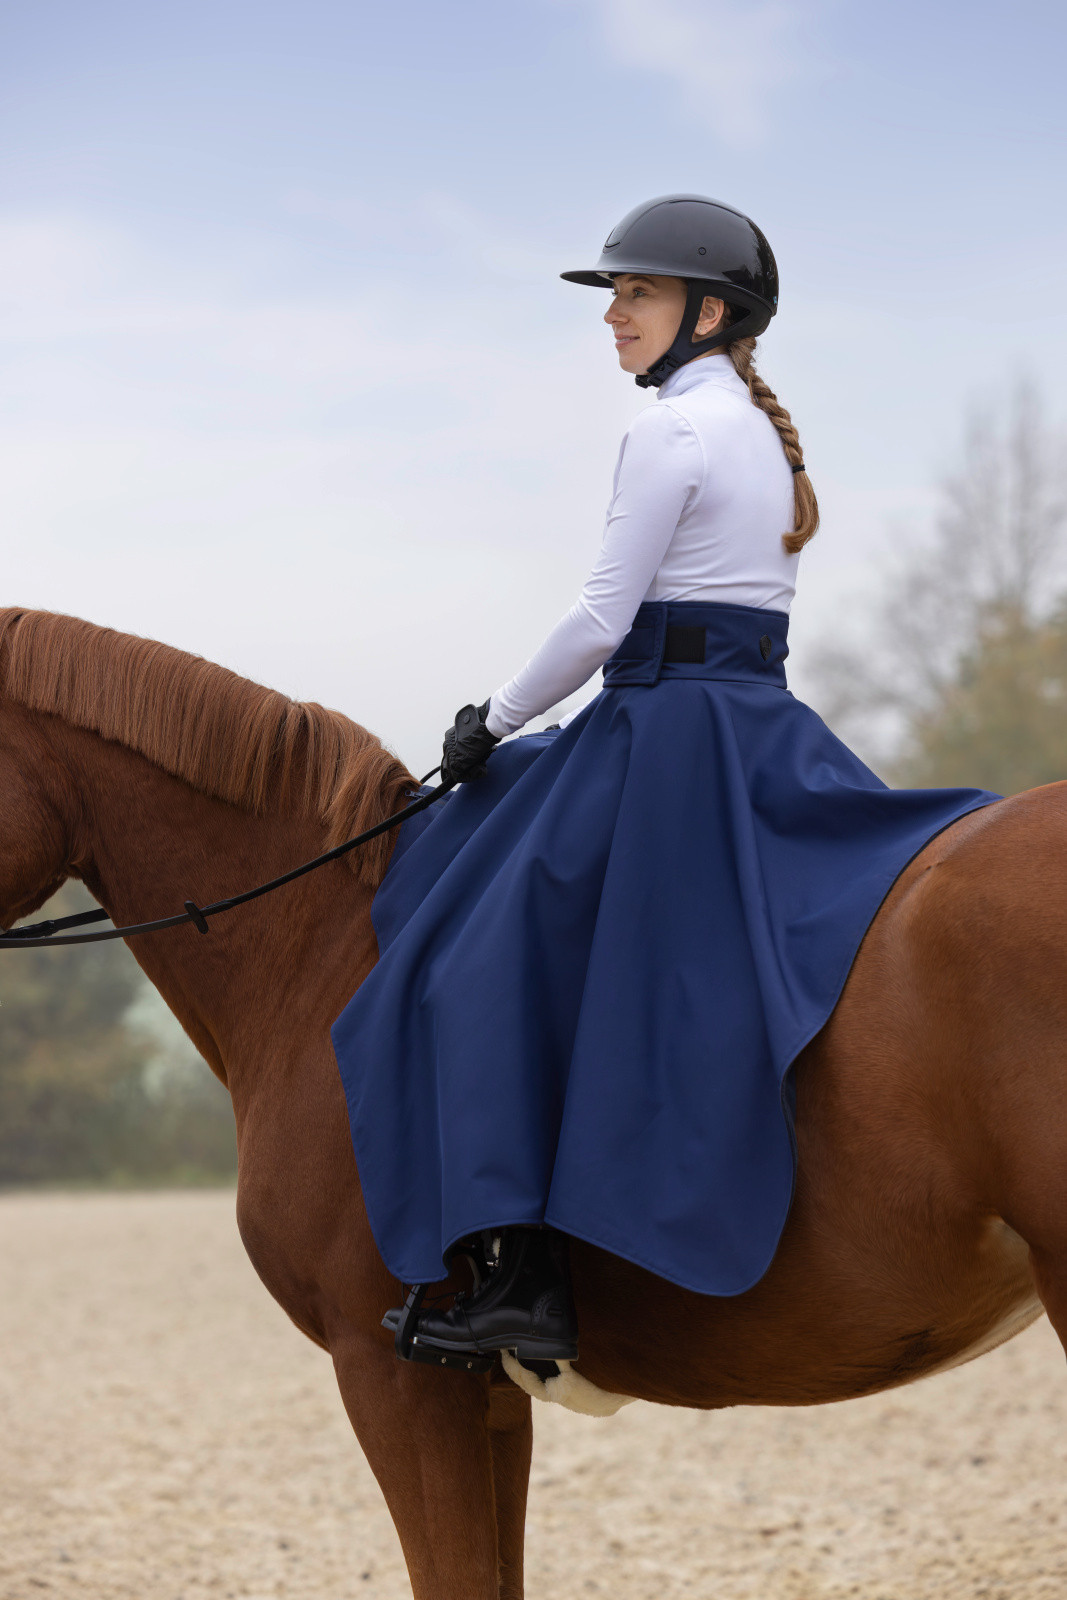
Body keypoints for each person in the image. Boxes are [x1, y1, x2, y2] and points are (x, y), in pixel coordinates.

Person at [330, 195, 1000, 1372]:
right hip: (755, 722)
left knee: (472, 961)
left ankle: (523, 1276)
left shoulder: (667, 436)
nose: (615, 318)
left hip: (659, 731)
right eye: (613, 299)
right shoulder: (752, 428)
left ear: (706, 310)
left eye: (633, 296)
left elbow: (601, 617)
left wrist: (491, 719)